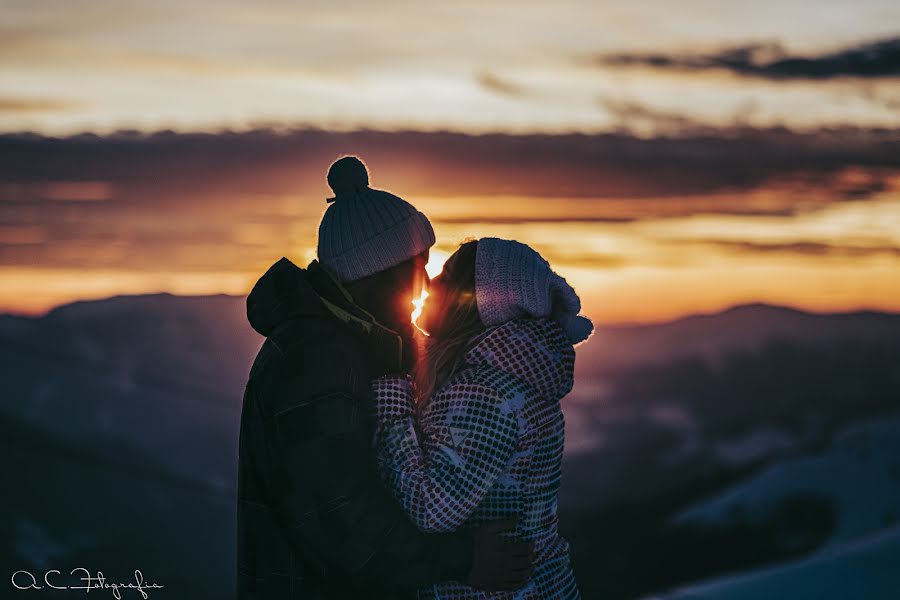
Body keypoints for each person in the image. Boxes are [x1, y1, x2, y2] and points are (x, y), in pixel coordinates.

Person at [237, 158, 533, 599]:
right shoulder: (315, 359)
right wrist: (463, 559)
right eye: (417, 265)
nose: (425, 282)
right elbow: (342, 524)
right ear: (375, 273)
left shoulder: (349, 343)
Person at [372, 238, 593, 599]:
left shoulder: (486, 393)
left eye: (444, 277)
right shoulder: (511, 377)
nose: (428, 285)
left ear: (475, 301)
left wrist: (390, 391)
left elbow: (431, 508)